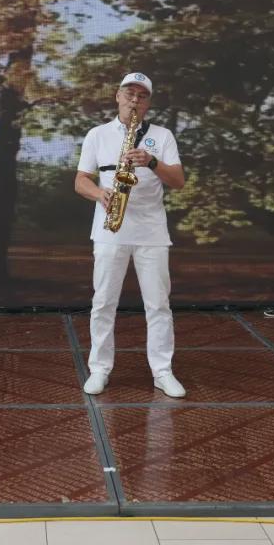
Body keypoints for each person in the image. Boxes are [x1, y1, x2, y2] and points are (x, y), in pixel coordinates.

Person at [74, 73, 187, 398]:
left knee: (158, 305)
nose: (134, 100)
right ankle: (99, 369)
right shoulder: (97, 134)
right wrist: (99, 193)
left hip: (152, 231)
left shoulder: (162, 136)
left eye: (142, 95)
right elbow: (80, 180)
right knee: (103, 303)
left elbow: (178, 181)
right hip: (110, 229)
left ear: (148, 102)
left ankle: (162, 372)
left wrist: (151, 161)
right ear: (117, 96)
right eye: (129, 93)